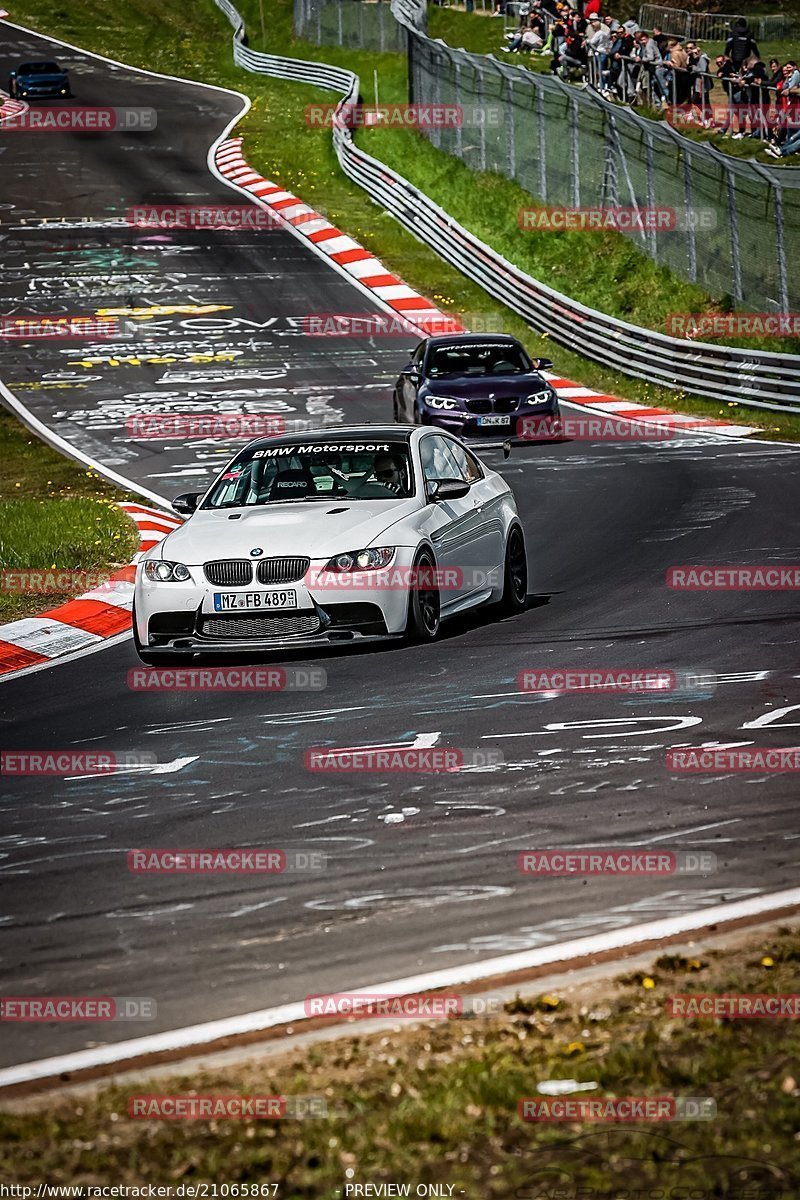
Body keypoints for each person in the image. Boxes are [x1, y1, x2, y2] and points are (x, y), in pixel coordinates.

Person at [686, 41, 712, 125]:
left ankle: (708, 119)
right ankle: (698, 115)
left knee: (703, 101)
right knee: (696, 100)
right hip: (695, 83)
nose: (688, 50)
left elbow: (703, 70)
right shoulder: (690, 57)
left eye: (691, 48)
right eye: (687, 48)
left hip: (702, 84)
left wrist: (693, 68)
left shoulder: (702, 58)